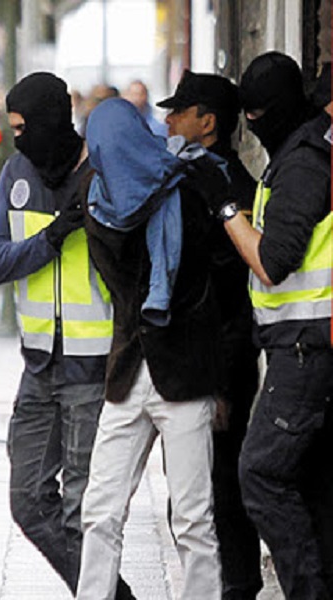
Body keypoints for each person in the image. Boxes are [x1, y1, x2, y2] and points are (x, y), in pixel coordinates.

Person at [0, 72, 133, 599]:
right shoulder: (15, 175)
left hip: (93, 372)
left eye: (23, 127)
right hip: (39, 367)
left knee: (82, 515)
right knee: (27, 501)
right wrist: (51, 237)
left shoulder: (103, 172)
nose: (18, 138)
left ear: (51, 121)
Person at [76, 98, 223, 599]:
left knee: (192, 517)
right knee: (100, 509)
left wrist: (220, 381)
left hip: (185, 375)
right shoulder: (96, 200)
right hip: (127, 375)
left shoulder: (187, 190)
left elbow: (216, 290)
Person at [204, 51, 331, 599]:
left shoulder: (302, 162)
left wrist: (228, 211)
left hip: (305, 346)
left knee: (259, 473)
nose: (252, 124)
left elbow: (272, 262)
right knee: (310, 480)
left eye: (257, 115)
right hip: (302, 343)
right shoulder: (301, 151)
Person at [157, 70, 263, 599]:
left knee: (220, 493)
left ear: (209, 122)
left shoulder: (226, 189)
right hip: (198, 361)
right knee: (196, 495)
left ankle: (238, 588)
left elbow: (231, 298)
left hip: (220, 364)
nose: (169, 119)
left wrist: (220, 384)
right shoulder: (194, 177)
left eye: (180, 111)